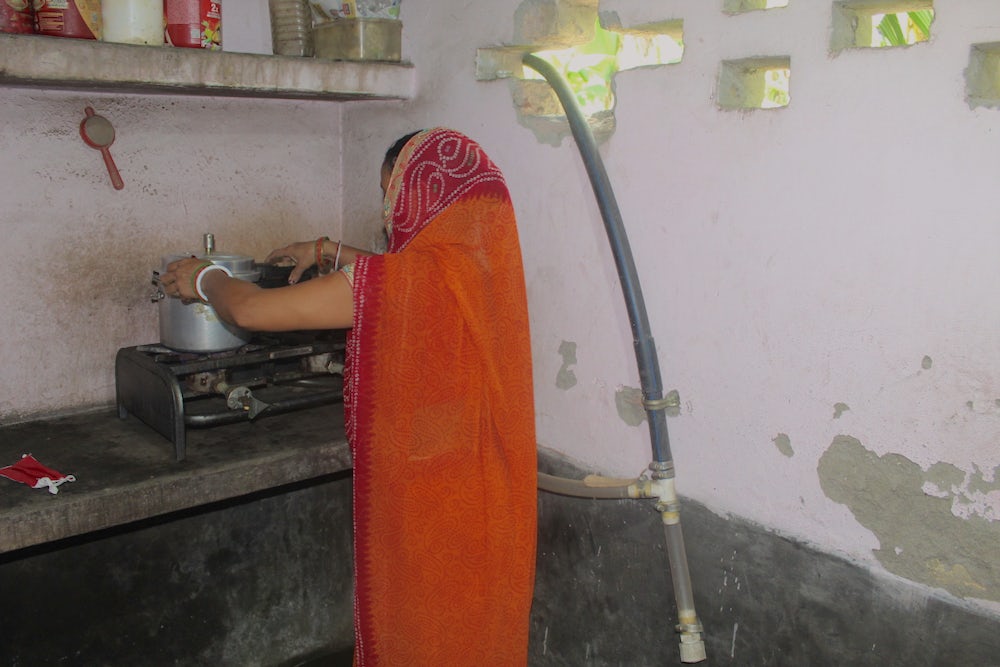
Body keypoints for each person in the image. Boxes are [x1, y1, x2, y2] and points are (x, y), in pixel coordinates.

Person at [160, 128, 538, 666]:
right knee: (473, 625)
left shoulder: (410, 279)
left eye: (393, 198)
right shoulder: (480, 270)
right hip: (484, 486)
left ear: (421, 197)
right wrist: (329, 251)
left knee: (423, 631)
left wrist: (206, 279)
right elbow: (397, 272)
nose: (390, 218)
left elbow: (252, 311)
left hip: (429, 505)